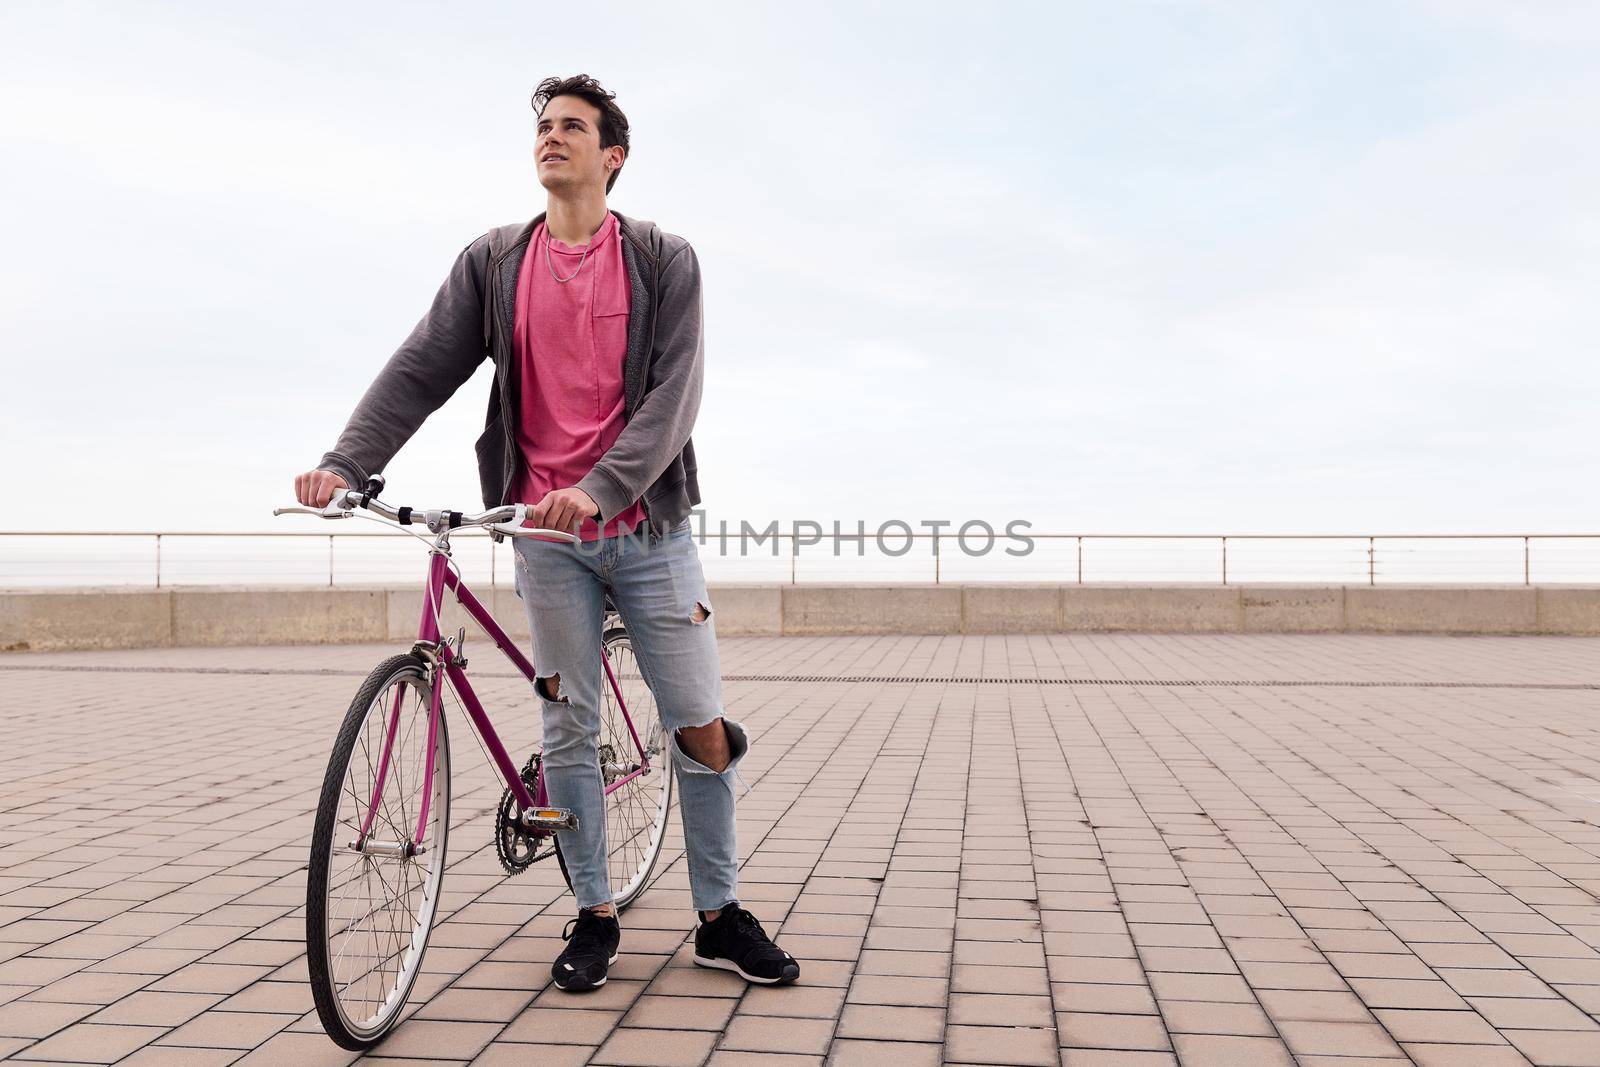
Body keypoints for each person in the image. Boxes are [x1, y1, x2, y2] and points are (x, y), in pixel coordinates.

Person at [293, 74, 798, 993]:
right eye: (542, 127)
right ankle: (594, 912)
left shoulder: (661, 257)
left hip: (648, 532)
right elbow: (420, 368)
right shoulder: (493, 262)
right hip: (541, 535)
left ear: (613, 156)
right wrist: (347, 461)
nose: (550, 137)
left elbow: (675, 397)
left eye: (572, 126)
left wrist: (603, 489)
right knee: (568, 727)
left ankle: (720, 916)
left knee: (699, 727)